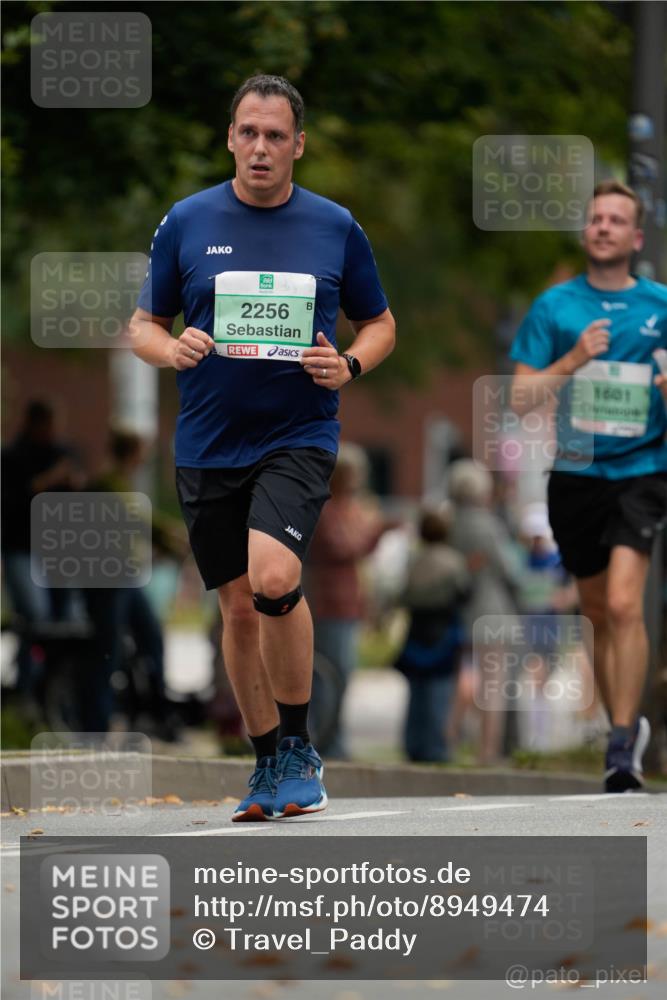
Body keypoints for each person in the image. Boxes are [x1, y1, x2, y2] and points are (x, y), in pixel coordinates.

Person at [130, 75, 395, 820]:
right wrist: (168, 347)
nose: (259, 147)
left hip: (298, 435)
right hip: (208, 443)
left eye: (275, 135)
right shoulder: (186, 220)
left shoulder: (334, 226)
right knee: (238, 609)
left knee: (274, 576)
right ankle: (264, 763)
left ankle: (300, 746)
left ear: (297, 146)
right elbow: (143, 323)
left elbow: (378, 323)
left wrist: (347, 364)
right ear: (230, 138)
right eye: (247, 132)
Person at [509, 179, 667, 792]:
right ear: (586, 233)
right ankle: (621, 727)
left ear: (635, 236)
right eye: (595, 218)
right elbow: (519, 400)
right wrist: (572, 361)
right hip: (575, 473)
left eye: (615, 219)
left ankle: (621, 744)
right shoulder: (554, 308)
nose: (603, 226)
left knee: (627, 603)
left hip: (643, 473)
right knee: (598, 612)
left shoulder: (661, 307)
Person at [306, 442, 392, 758]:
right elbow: (341, 548)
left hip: (345, 603)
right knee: (330, 674)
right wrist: (376, 532)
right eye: (355, 474)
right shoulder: (325, 510)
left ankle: (332, 737)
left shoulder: (347, 508)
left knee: (341, 673)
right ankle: (326, 741)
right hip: (328, 603)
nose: (359, 481)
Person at [1, 400, 84, 699]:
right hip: (22, 548)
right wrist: (45, 481)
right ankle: (27, 687)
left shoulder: (61, 454)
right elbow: (13, 503)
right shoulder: (12, 457)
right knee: (36, 616)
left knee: (68, 617)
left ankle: (53, 688)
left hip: (55, 549)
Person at [394, 506, 469, 763]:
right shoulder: (454, 560)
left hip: (416, 631)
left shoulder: (414, 560)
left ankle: (412, 744)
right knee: (440, 691)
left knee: (416, 691)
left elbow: (403, 594)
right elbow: (463, 591)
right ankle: (436, 747)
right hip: (444, 632)